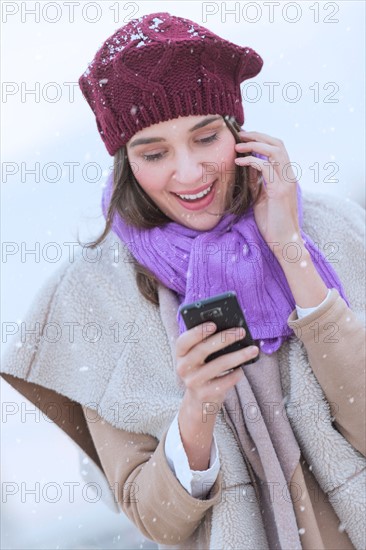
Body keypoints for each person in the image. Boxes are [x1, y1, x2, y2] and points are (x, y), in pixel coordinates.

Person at [1, 11, 365, 550]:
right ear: (126, 163)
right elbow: (159, 522)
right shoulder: (92, 300)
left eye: (205, 137)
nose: (190, 173)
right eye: (154, 153)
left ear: (238, 132)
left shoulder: (334, 230)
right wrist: (197, 409)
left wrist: (291, 250)